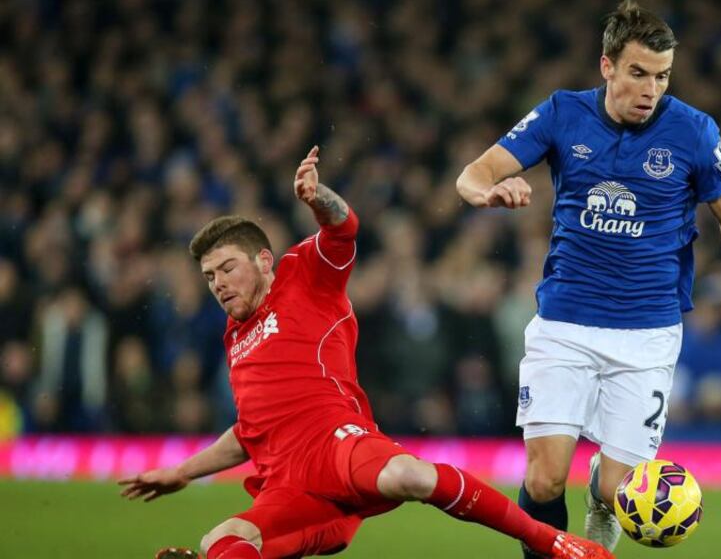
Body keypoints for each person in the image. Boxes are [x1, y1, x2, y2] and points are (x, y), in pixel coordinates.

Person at [119, 146, 613, 559]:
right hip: (288, 482)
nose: (218, 285)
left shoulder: (303, 275)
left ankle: (554, 542)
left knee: (409, 474)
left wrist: (318, 200)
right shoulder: (234, 337)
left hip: (337, 444)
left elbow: (344, 228)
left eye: (226, 269)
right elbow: (251, 431)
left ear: (262, 260)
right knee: (221, 540)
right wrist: (181, 472)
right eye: (209, 277)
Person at [456, 0, 721, 555]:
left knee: (616, 494)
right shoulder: (563, 114)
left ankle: (599, 506)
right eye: (638, 74)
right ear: (607, 66)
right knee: (542, 480)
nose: (650, 89)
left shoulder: (695, 132)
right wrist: (486, 192)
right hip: (564, 323)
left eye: (661, 76)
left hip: (647, 336)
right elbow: (474, 172)